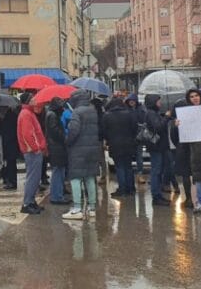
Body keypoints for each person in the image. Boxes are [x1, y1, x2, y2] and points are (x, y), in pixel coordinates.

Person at [62, 89, 100, 220]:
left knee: (75, 178)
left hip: (78, 149)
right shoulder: (92, 110)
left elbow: (73, 131)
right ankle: (92, 207)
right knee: (89, 177)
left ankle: (77, 208)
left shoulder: (77, 112)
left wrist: (67, 142)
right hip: (92, 148)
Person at [17, 92, 47, 215]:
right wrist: (36, 148)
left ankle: (31, 201)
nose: (35, 100)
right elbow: (28, 134)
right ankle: (27, 203)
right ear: (28, 101)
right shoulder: (26, 114)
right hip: (32, 151)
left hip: (33, 150)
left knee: (35, 178)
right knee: (32, 178)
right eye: (33, 99)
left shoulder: (28, 113)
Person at [102, 96, 138, 198]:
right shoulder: (129, 114)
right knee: (128, 167)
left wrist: (109, 139)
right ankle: (130, 189)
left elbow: (104, 132)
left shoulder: (107, 116)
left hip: (115, 145)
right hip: (129, 144)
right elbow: (135, 128)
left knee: (119, 167)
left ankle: (122, 190)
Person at [143, 94, 171, 206]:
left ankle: (158, 194)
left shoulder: (153, 113)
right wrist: (167, 117)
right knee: (156, 171)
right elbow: (158, 127)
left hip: (159, 146)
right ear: (153, 102)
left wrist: (164, 115)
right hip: (156, 147)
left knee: (159, 171)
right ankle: (156, 196)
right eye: (158, 101)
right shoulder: (150, 113)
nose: (160, 103)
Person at [169, 98, 193, 207]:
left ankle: (188, 198)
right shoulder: (192, 118)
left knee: (185, 175)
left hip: (182, 149)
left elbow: (173, 136)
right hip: (194, 148)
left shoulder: (176, 122)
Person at [45, 97, 69, 205]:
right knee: (58, 172)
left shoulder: (51, 114)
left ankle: (58, 195)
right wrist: (64, 137)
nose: (63, 108)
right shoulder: (53, 115)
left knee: (59, 172)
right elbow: (55, 131)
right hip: (56, 148)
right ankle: (56, 196)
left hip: (56, 147)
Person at [126, 94, 146, 182]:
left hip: (139, 137)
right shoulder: (125, 110)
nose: (131, 102)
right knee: (129, 157)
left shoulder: (141, 110)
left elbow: (144, 120)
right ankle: (130, 176)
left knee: (139, 157)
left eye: (133, 100)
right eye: (130, 100)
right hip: (129, 137)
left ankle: (140, 174)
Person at [0, 106, 20, 190]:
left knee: (11, 164)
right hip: (11, 144)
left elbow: (7, 131)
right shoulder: (12, 115)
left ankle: (12, 182)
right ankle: (11, 181)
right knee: (11, 163)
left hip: (10, 144)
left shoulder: (9, 117)